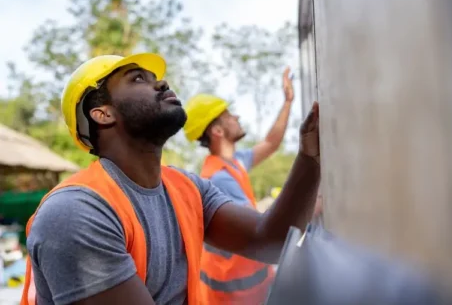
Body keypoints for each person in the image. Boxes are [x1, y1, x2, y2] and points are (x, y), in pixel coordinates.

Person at [21, 53, 320, 305]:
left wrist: (311, 160)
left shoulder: (186, 188)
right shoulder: (77, 212)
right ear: (103, 114)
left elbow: (269, 240)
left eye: (155, 78)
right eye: (138, 79)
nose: (162, 83)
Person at [183, 68, 296, 304]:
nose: (236, 118)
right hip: (232, 296)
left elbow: (270, 143)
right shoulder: (220, 178)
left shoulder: (234, 163)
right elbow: (263, 228)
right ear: (217, 130)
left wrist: (287, 102)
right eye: (229, 115)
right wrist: (315, 202)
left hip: (250, 287)